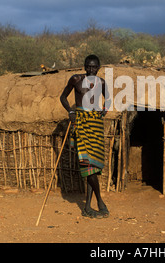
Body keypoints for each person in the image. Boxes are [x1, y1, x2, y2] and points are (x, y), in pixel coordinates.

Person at [60, 55, 111, 218]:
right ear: (84, 66)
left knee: (93, 167)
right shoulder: (75, 79)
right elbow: (63, 97)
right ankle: (100, 201)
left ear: (98, 67)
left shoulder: (102, 83)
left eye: (94, 67)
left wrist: (105, 110)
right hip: (81, 122)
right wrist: (71, 111)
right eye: (88, 66)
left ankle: (88, 207)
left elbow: (108, 99)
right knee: (87, 163)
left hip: (95, 123)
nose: (91, 70)